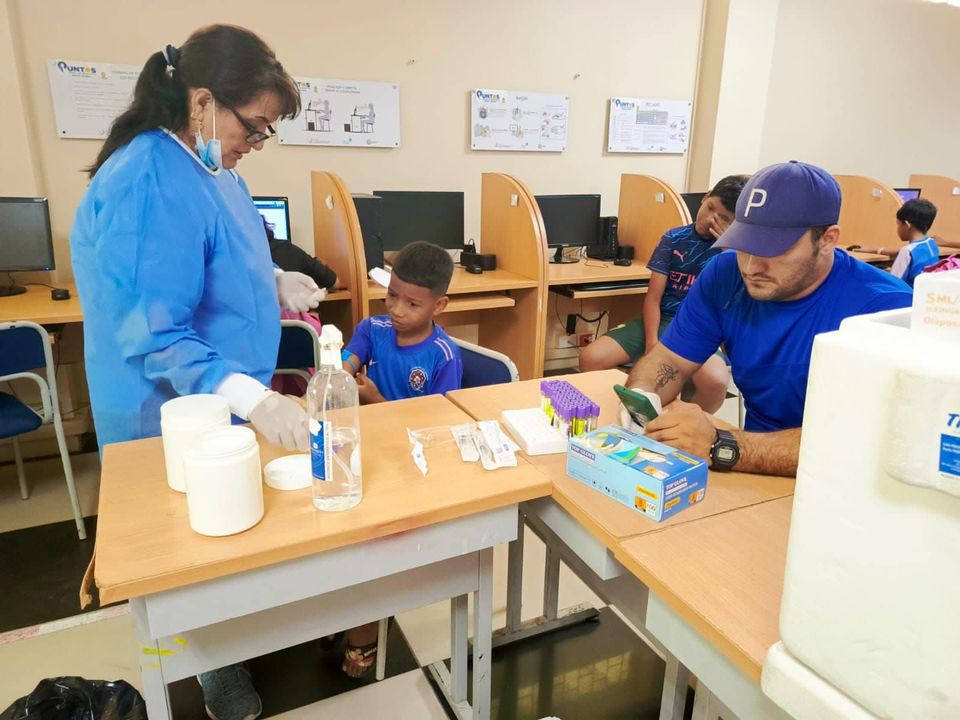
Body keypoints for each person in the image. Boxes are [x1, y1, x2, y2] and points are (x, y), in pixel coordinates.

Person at [70, 25, 316, 720]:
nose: (257, 142)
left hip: (218, 398)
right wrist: (254, 398)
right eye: (254, 126)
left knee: (225, 530)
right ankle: (204, 665)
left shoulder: (216, 170)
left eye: (267, 131)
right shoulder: (148, 178)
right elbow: (153, 330)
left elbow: (216, 257)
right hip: (164, 409)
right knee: (180, 554)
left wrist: (272, 279)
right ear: (203, 101)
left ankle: (225, 638)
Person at [622, 161, 913, 477]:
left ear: (827, 239)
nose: (750, 267)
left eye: (773, 251)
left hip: (837, 479)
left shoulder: (887, 310)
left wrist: (722, 445)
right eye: (744, 245)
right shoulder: (725, 273)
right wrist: (642, 396)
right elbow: (669, 361)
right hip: (752, 468)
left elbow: (865, 442)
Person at [579, 175, 749, 413]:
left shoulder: (736, 254)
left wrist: (730, 250)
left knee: (715, 381)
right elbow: (653, 299)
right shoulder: (674, 238)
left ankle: (688, 423)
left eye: (724, 219)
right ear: (705, 197)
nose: (711, 219)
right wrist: (652, 344)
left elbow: (739, 300)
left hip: (702, 328)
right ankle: (615, 413)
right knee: (591, 357)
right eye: (711, 208)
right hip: (662, 320)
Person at [343, 241, 463, 405]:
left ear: (438, 306)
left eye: (412, 304)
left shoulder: (445, 357)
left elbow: (440, 417)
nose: (397, 310)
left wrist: (375, 400)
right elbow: (346, 363)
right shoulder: (371, 329)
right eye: (392, 295)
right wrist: (343, 374)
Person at [888, 199, 939, 287]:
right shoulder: (932, 244)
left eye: (898, 224)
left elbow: (893, 283)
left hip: (910, 294)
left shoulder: (907, 251)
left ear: (907, 225)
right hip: (925, 292)